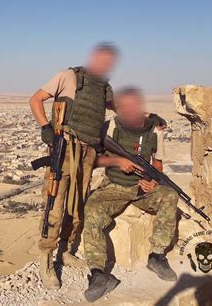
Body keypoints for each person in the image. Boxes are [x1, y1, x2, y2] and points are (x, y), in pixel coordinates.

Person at [29, 43, 118, 290]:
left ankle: (65, 251)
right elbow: (36, 99)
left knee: (77, 205)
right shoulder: (70, 76)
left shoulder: (104, 88)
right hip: (65, 148)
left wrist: (150, 118)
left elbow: (120, 110)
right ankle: (46, 258)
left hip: (88, 153)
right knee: (55, 204)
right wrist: (46, 128)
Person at [83, 86, 178, 302]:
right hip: (114, 186)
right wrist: (117, 161)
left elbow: (158, 164)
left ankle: (157, 256)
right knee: (92, 208)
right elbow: (93, 160)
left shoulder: (155, 129)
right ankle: (99, 274)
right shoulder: (111, 127)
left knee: (170, 196)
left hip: (141, 190)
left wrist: (152, 181)